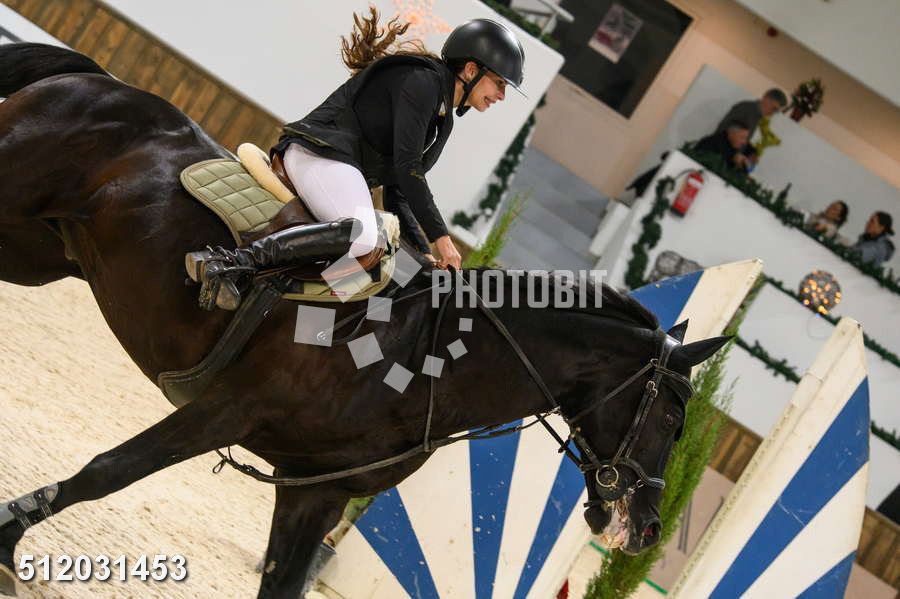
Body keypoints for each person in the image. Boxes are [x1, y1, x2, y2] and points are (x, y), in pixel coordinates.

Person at [185, 9, 525, 309]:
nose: (501, 95)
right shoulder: (422, 82)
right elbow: (408, 168)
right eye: (498, 83)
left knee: (398, 265)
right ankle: (230, 262)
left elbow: (399, 189)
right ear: (470, 70)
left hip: (340, 168)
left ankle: (297, 312)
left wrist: (423, 253)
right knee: (364, 236)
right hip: (319, 155)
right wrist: (442, 238)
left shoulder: (442, 116)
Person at [715, 88, 788, 140]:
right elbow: (725, 132)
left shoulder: (756, 116)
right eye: (774, 109)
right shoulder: (746, 109)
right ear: (766, 99)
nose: (773, 113)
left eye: (776, 111)